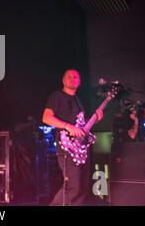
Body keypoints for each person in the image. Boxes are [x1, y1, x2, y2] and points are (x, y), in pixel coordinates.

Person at [42, 70, 103, 206]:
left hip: (80, 149)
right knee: (73, 187)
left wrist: (95, 119)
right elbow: (46, 118)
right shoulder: (57, 96)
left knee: (82, 188)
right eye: (69, 77)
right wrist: (68, 126)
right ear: (63, 80)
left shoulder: (78, 101)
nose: (72, 79)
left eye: (75, 77)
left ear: (79, 82)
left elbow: (81, 127)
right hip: (66, 148)